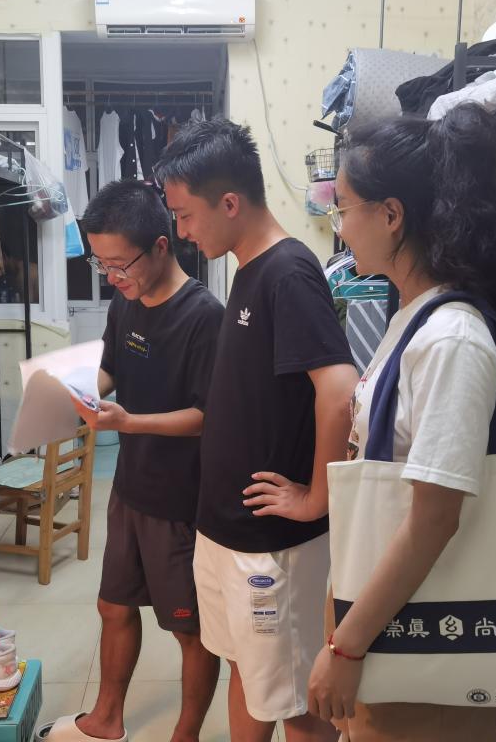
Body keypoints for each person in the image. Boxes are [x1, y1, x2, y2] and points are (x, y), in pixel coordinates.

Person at [245, 103, 496, 741]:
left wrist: (345, 648)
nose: (340, 227)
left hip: (424, 635)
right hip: (390, 621)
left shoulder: (451, 338)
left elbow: (434, 520)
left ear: (391, 214)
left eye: (343, 208)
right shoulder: (414, 316)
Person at [155, 120, 359, 742]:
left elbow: (339, 389)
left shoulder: (289, 272)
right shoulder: (248, 268)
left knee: (297, 701)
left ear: (229, 203)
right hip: (226, 530)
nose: (182, 232)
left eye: (185, 216)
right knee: (247, 670)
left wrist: (317, 497)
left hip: (272, 544)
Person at [48, 179, 224, 742]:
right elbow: (111, 370)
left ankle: (186, 734)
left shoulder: (204, 316)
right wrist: (74, 392)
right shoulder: (126, 302)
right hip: (130, 490)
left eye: (119, 264)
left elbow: (206, 416)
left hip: (179, 501)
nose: (111, 277)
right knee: (113, 606)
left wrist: (128, 422)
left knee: (189, 630)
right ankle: (106, 719)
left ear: (161, 246)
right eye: (101, 264)